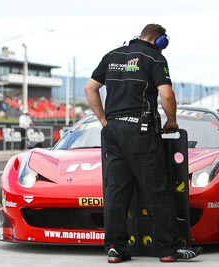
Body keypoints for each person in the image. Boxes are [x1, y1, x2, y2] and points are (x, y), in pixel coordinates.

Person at [84, 24, 202, 263]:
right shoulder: (155, 57)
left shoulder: (112, 55)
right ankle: (170, 249)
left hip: (114, 132)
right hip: (140, 130)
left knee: (116, 190)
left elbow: (90, 88)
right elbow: (167, 95)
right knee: (157, 188)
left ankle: (116, 248)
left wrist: (104, 120)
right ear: (160, 41)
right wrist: (172, 121)